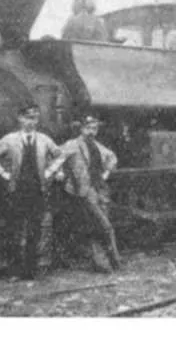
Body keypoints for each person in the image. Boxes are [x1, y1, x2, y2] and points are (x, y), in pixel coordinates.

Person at [0, 104, 63, 279]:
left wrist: (51, 171)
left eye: (35, 118)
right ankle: (14, 271)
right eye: (28, 117)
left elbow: (60, 155)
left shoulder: (44, 139)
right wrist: (2, 173)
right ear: (20, 119)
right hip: (16, 191)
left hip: (38, 190)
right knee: (15, 231)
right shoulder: (10, 139)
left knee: (34, 231)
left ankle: (31, 271)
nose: (32, 122)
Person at [50, 115, 122, 273]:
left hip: (99, 190)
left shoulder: (96, 145)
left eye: (94, 129)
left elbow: (112, 157)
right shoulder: (72, 145)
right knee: (105, 226)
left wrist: (106, 173)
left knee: (96, 227)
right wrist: (59, 172)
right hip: (82, 190)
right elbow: (56, 158)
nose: (91, 132)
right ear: (81, 129)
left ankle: (103, 263)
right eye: (88, 128)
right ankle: (113, 261)